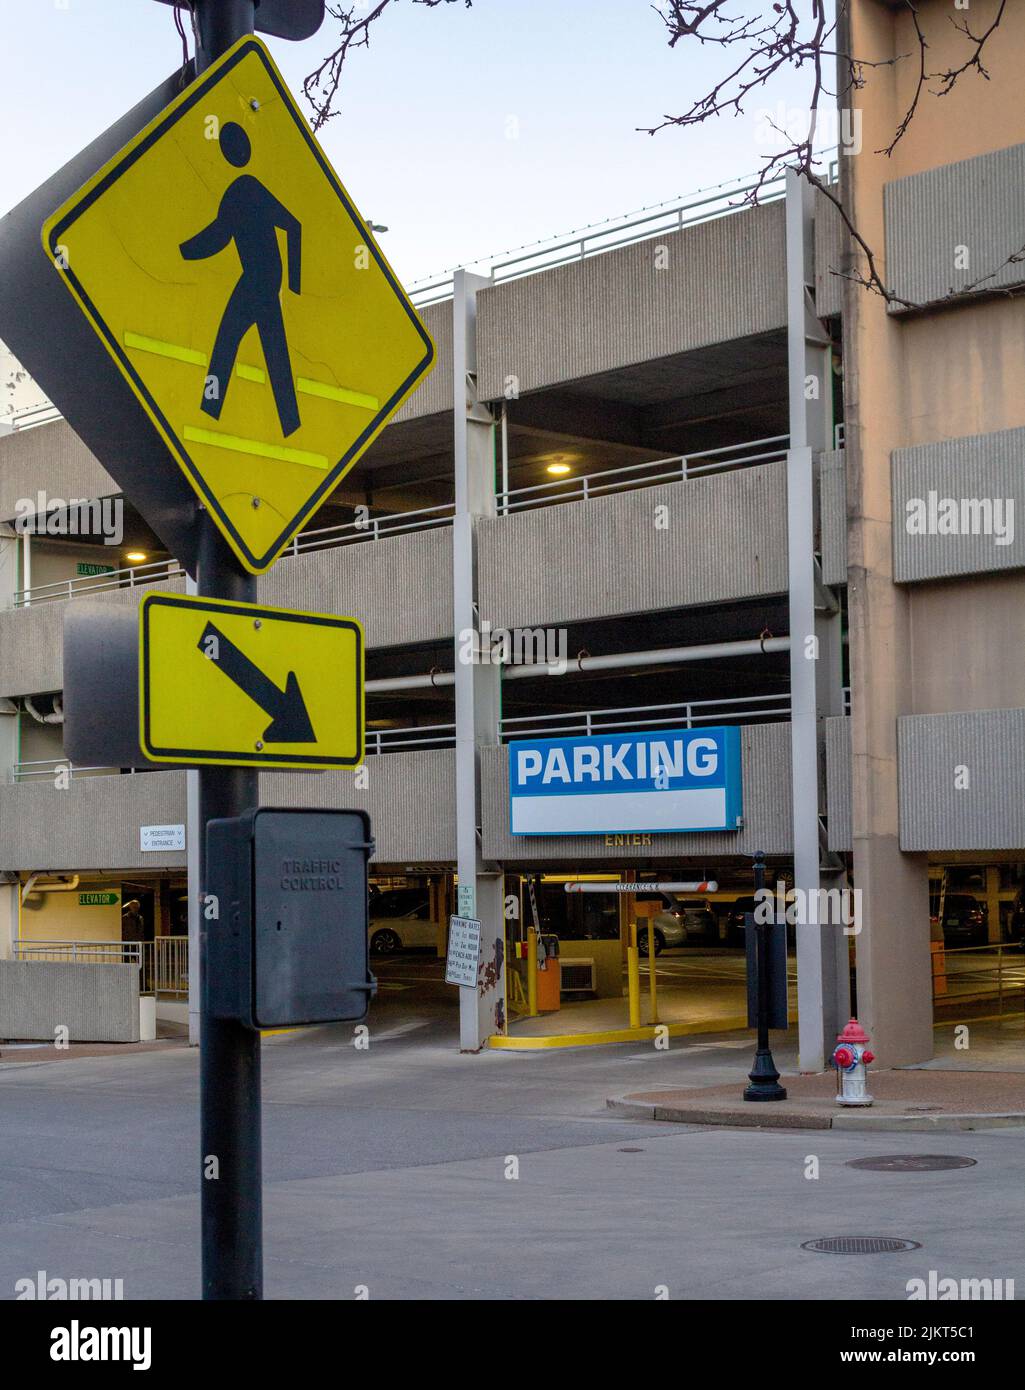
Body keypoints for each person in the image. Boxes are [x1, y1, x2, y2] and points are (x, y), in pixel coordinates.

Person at [180, 122, 302, 436]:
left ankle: (209, 412)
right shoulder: (247, 188)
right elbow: (291, 226)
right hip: (265, 284)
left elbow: (219, 237)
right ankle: (290, 424)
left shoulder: (243, 189)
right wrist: (288, 282)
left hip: (256, 284)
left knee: (226, 346)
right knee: (273, 357)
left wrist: (296, 285)